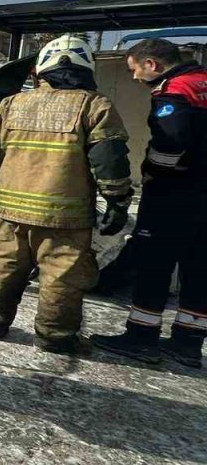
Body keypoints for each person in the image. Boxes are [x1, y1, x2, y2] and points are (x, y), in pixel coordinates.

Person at [0, 35, 132, 354]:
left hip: (12, 211)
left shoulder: (12, 104)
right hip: (66, 217)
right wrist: (117, 201)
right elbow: (109, 159)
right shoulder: (94, 105)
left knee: (4, 265)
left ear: (41, 70)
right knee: (62, 276)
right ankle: (54, 336)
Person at [92, 38, 207, 368]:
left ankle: (141, 337)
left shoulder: (174, 91)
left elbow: (170, 143)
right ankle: (188, 344)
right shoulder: (202, 82)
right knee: (198, 268)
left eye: (134, 69)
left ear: (151, 64)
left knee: (154, 263)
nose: (134, 77)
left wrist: (154, 173)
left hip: (174, 195)